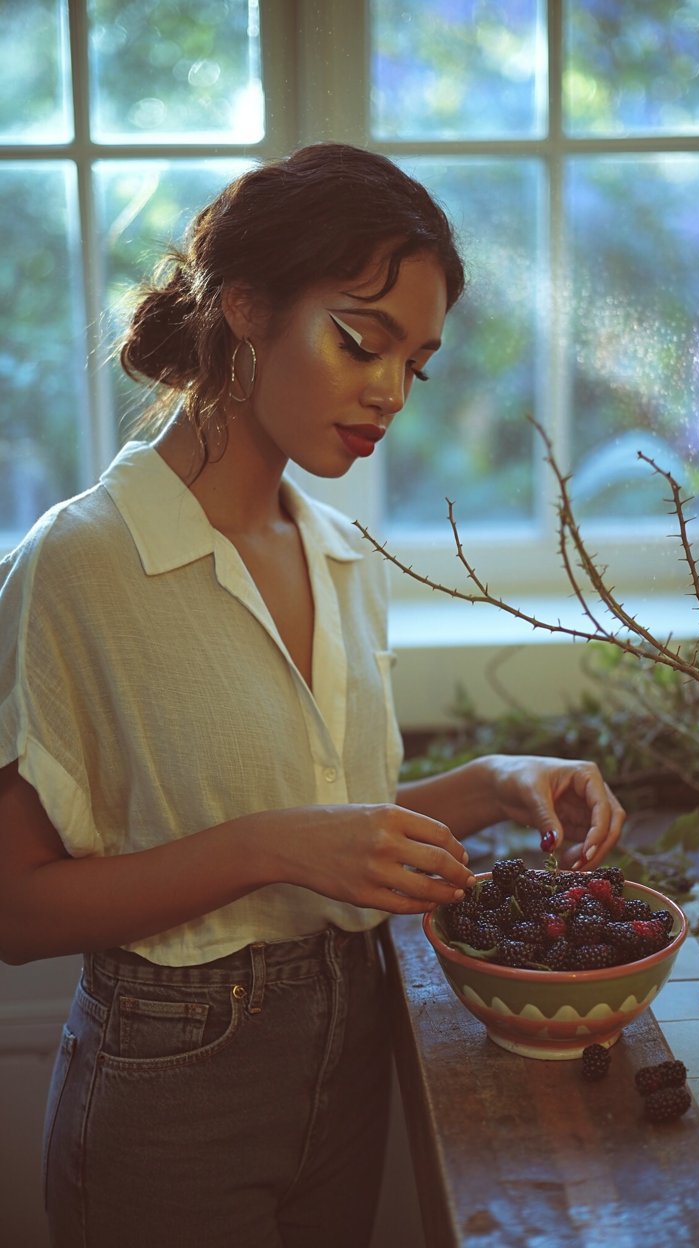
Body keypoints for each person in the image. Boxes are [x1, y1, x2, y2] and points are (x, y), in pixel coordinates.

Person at [0, 143, 625, 1248]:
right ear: (245, 308)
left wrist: (490, 785)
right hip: (171, 1088)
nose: (388, 391)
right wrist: (272, 847)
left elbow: (339, 826)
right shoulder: (79, 563)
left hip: (355, 1045)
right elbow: (18, 910)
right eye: (360, 339)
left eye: (415, 365)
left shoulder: (344, 555)